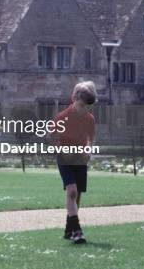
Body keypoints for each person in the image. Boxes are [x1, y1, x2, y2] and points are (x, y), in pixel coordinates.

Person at [53, 81, 97, 244]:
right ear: (74, 99)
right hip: (64, 158)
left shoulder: (90, 119)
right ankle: (77, 231)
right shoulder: (62, 117)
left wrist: (88, 150)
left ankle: (68, 229)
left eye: (87, 107)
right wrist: (62, 150)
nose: (83, 109)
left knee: (77, 195)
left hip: (79, 159)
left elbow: (90, 139)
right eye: (81, 105)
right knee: (71, 191)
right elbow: (52, 137)